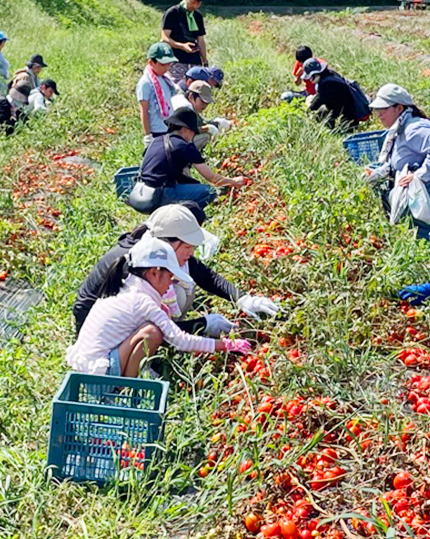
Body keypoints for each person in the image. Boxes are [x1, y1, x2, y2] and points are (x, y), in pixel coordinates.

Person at [73, 203, 279, 336]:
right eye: (188, 246)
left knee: (183, 287)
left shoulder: (160, 249)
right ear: (170, 242)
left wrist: (243, 299)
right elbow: (155, 327)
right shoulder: (137, 266)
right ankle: (137, 363)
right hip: (100, 330)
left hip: (130, 319)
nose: (192, 252)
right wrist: (202, 325)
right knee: (168, 307)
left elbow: (206, 276)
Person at [66, 237, 252, 378]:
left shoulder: (127, 287)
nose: (170, 285)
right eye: (170, 277)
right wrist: (225, 345)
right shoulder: (141, 301)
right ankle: (124, 388)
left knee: (152, 328)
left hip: (88, 367)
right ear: (154, 273)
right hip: (97, 374)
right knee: (152, 333)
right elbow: (181, 340)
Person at [363, 84, 430, 237]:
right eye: (378, 110)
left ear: (399, 108)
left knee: (404, 204)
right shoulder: (399, 128)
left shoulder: (413, 129)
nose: (379, 114)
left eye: (383, 109)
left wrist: (420, 175)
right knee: (389, 197)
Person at [127, 108, 248, 212]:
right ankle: (190, 218)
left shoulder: (156, 141)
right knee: (209, 191)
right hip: (159, 195)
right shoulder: (184, 146)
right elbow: (212, 179)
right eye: (193, 132)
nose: (193, 136)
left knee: (192, 185)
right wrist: (233, 181)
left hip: (141, 192)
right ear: (185, 130)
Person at [301, 58, 371, 130]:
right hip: (347, 111)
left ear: (316, 74)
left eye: (310, 77)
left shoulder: (327, 85)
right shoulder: (330, 74)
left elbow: (317, 103)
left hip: (348, 116)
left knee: (322, 111)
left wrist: (306, 112)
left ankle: (331, 130)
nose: (309, 80)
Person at [161, 0, 208, 85]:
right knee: (177, 89)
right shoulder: (172, 13)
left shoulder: (198, 16)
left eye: (198, 3)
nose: (195, 6)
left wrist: (205, 61)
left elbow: (200, 40)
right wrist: (182, 46)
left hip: (194, 61)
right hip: (177, 60)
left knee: (195, 90)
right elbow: (165, 38)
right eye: (193, 2)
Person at [137, 43, 180, 146]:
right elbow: (144, 111)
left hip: (168, 127)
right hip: (157, 131)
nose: (166, 68)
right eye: (162, 64)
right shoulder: (146, 83)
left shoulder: (165, 78)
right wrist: (147, 135)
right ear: (151, 62)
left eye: (168, 64)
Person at [170, 80, 217, 151]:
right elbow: (189, 131)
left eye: (207, 103)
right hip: (172, 143)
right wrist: (210, 128)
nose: (205, 106)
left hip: (164, 139)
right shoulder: (187, 107)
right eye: (203, 101)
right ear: (191, 96)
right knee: (207, 136)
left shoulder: (179, 98)